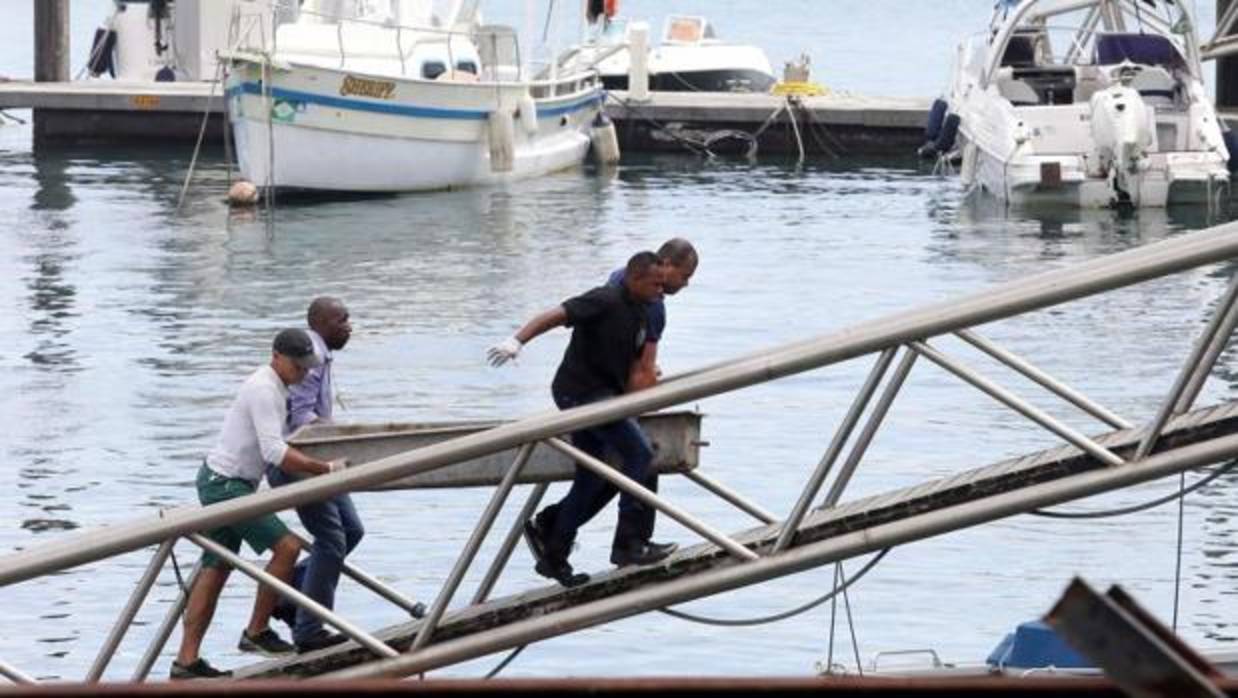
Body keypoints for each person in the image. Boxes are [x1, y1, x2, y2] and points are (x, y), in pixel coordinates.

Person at [487, 251, 677, 587]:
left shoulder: (645, 310)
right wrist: (517, 341)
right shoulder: (604, 299)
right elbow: (555, 315)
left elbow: (631, 359)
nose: (661, 292)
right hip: (579, 394)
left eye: (663, 285)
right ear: (634, 279)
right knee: (640, 454)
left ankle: (554, 554)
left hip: (603, 395)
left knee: (591, 478)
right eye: (655, 284)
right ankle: (629, 543)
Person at [172, 328, 345, 680]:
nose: (302, 374)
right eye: (297, 367)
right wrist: (324, 468)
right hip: (226, 485)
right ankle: (257, 631)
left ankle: (186, 662)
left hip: (226, 480)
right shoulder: (264, 389)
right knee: (288, 547)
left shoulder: (279, 386)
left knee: (215, 570)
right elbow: (274, 452)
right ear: (277, 357)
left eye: (307, 368)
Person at [532, 239, 699, 559]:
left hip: (595, 388)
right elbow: (643, 366)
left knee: (607, 470)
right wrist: (642, 402)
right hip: (593, 392)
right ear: (666, 265)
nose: (685, 284)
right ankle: (629, 542)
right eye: (686, 275)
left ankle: (554, 529)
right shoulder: (650, 303)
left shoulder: (623, 279)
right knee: (642, 455)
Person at [266, 297, 364, 653]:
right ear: (320, 323)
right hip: (301, 462)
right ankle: (309, 630)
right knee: (332, 540)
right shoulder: (312, 355)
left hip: (320, 458)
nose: (348, 325)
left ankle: (289, 593)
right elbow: (300, 419)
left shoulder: (322, 353)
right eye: (341, 319)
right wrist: (338, 437)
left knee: (351, 530)